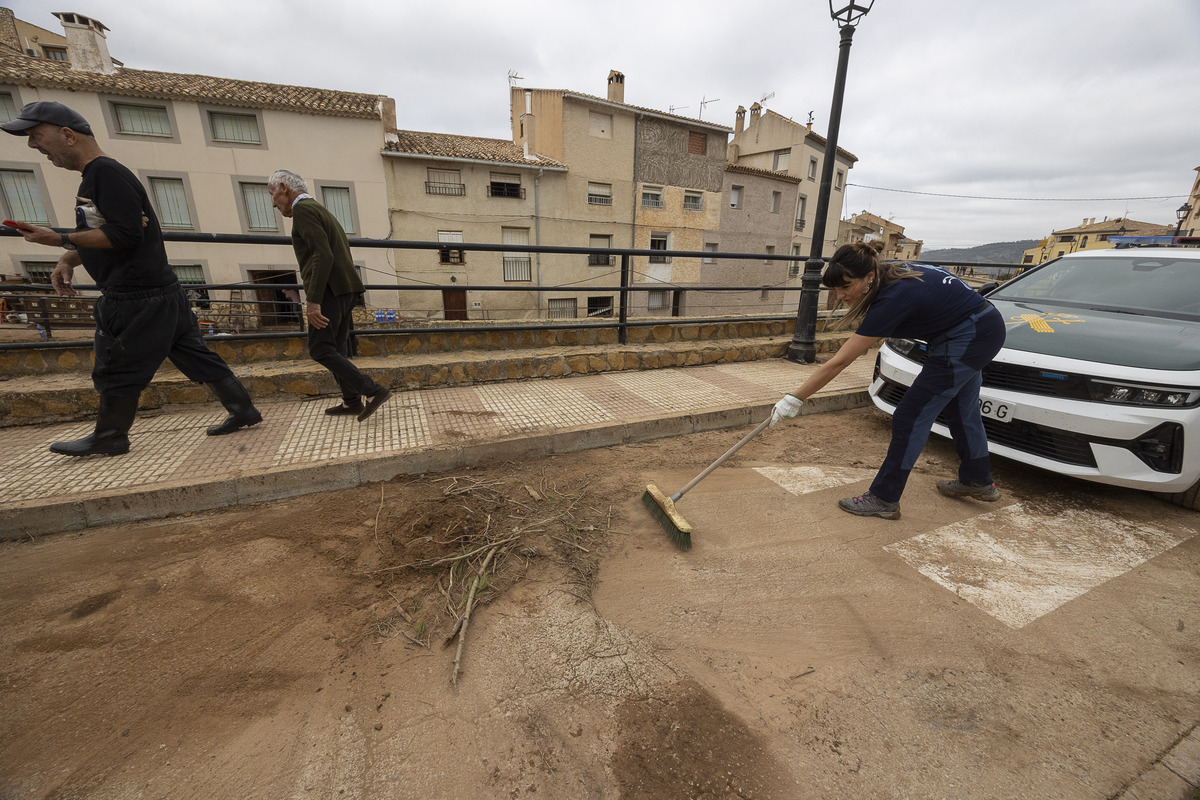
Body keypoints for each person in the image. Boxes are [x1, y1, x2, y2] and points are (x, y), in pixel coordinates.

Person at [2, 101, 262, 456]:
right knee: (195, 355)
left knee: (115, 365)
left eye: (36, 136)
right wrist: (68, 258)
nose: (34, 146)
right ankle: (243, 410)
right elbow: (107, 233)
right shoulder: (100, 176)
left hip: (136, 296)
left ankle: (110, 435)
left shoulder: (105, 175)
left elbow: (125, 235)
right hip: (161, 290)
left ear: (67, 135)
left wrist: (59, 238)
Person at [769, 242, 1006, 519]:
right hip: (980, 328)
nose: (839, 296)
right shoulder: (887, 272)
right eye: (835, 289)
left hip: (969, 339)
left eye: (845, 287)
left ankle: (884, 497)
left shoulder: (894, 297)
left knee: (910, 416)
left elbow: (841, 361)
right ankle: (977, 480)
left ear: (868, 276)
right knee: (960, 408)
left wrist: (795, 397)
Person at [267, 169, 391, 421]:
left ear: (283, 188)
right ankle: (351, 402)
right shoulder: (318, 208)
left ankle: (373, 391)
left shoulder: (303, 211)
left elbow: (322, 255)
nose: (272, 203)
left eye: (272, 195)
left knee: (320, 349)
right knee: (336, 348)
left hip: (329, 291)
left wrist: (313, 300)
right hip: (345, 287)